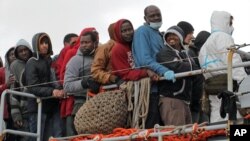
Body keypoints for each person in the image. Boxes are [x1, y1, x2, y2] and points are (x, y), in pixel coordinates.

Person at [198, 11, 247, 123]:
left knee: (217, 117)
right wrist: (244, 83)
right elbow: (233, 62)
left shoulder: (205, 45)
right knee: (234, 119)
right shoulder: (223, 37)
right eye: (230, 23)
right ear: (224, 23)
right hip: (228, 88)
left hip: (213, 88)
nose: (232, 27)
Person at [132, 5, 175, 128]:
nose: (156, 18)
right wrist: (164, 71)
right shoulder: (142, 31)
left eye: (158, 15)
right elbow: (144, 59)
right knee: (152, 126)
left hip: (162, 88)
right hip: (150, 90)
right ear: (145, 18)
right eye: (152, 16)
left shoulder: (159, 34)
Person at [24, 32, 65, 141]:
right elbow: (33, 86)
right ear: (35, 44)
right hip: (37, 108)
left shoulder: (51, 61)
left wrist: (60, 90)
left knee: (54, 137)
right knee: (38, 138)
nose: (45, 45)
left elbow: (54, 81)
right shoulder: (31, 62)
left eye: (47, 42)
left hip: (52, 106)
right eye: (41, 43)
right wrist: (52, 92)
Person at [156, 26, 198, 125]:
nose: (171, 37)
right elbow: (177, 67)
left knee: (188, 136)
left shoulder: (184, 54)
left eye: (174, 35)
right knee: (178, 136)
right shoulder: (164, 53)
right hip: (172, 100)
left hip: (184, 101)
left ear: (180, 37)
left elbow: (196, 69)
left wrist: (188, 66)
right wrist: (189, 66)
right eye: (168, 35)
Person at [63, 30, 99, 136]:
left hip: (99, 105)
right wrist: (84, 83)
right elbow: (67, 86)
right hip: (80, 105)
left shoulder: (100, 57)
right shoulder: (75, 60)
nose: (83, 45)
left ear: (95, 43)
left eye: (87, 42)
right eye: (82, 42)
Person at [177, 21, 204, 123]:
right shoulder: (184, 52)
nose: (192, 36)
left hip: (195, 99)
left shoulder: (188, 50)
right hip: (189, 99)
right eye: (190, 33)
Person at [9, 39, 33, 141]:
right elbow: (13, 91)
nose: (23, 53)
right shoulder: (14, 65)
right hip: (24, 109)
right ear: (17, 53)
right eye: (20, 51)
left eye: (25, 50)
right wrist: (16, 114)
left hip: (39, 106)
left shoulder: (35, 61)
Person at [0, 48, 16, 141]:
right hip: (6, 111)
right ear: (7, 57)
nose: (13, 56)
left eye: (15, 53)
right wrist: (7, 85)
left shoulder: (24, 69)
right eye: (11, 54)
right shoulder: (1, 71)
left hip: (21, 109)